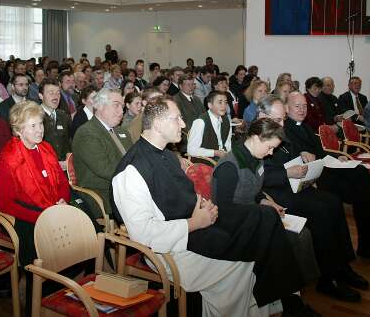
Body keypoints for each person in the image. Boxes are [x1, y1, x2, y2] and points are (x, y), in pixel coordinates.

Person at [111, 96, 304, 316]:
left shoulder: (168, 156)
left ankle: (281, 301)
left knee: (261, 224)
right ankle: (285, 302)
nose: (184, 125)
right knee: (247, 255)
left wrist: (201, 205)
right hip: (169, 251)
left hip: (192, 230)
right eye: (177, 119)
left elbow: (182, 196)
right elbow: (144, 235)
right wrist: (195, 221)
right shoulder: (130, 172)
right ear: (157, 124)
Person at [258, 95, 370, 302]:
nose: (283, 124)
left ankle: (343, 266)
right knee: (319, 211)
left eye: (283, 119)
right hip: (275, 194)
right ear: (262, 116)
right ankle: (328, 279)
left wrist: (302, 157)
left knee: (333, 202)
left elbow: (289, 156)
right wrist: (287, 173)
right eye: (278, 119)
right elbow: (258, 177)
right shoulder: (252, 138)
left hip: (293, 186)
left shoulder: (280, 132)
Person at [285, 92, 370, 262]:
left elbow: (321, 152)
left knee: (359, 172)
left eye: (305, 106)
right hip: (312, 178)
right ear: (286, 108)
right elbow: (295, 159)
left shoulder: (304, 125)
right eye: (297, 106)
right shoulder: (285, 129)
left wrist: (338, 157)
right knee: (361, 191)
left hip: (324, 168)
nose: (302, 110)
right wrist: (306, 154)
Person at [213, 118, 320, 314]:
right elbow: (224, 210)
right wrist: (262, 212)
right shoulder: (229, 166)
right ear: (255, 138)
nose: (271, 153)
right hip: (234, 227)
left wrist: (265, 201)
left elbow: (254, 190)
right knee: (288, 239)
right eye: (270, 148)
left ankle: (292, 297)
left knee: (301, 234)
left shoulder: (256, 157)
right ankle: (290, 303)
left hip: (254, 217)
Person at [0, 100, 72, 306]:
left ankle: (62, 295)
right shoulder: (9, 158)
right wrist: (42, 216)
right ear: (18, 130)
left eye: (41, 124)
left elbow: (63, 182)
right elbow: (6, 203)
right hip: (26, 215)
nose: (40, 130)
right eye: (33, 126)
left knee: (79, 231)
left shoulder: (45, 149)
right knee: (38, 242)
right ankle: (36, 301)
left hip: (55, 208)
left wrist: (63, 199)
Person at [72, 88, 132, 216]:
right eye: (116, 105)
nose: (121, 112)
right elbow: (106, 170)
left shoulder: (122, 132)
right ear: (99, 106)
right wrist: (138, 177)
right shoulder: (87, 133)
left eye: (122, 107)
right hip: (103, 194)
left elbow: (135, 159)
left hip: (126, 188)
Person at [187, 91, 232, 160]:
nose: (224, 106)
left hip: (222, 159)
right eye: (220, 102)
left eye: (225, 102)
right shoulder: (200, 122)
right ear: (210, 105)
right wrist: (215, 152)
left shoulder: (226, 120)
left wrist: (227, 155)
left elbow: (228, 144)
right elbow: (191, 150)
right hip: (204, 161)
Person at [38, 79, 71, 168]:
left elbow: (68, 141)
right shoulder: (35, 117)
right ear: (40, 96)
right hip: (44, 168)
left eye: (58, 93)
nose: (56, 96)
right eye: (51, 93)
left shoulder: (64, 116)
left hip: (64, 168)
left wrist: (69, 158)